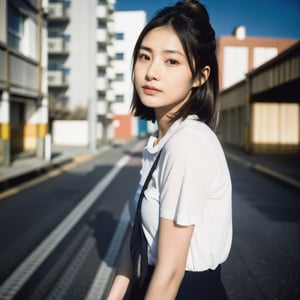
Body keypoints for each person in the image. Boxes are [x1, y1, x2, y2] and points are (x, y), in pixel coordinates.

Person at [107, 0, 232, 299]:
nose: (151, 72)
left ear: (200, 77)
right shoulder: (162, 140)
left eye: (171, 61)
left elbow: (171, 271)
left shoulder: (187, 143)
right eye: (144, 57)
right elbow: (135, 236)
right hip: (151, 281)